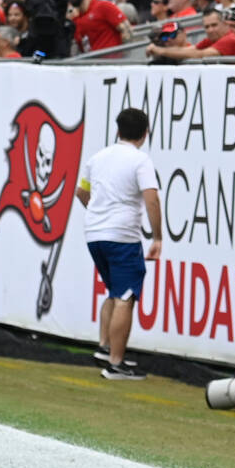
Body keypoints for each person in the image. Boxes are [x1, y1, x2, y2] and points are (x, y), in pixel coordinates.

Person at [74, 108, 162, 380]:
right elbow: (151, 198)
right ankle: (115, 363)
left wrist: (97, 213)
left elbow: (81, 191)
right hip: (122, 235)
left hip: (95, 234)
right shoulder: (140, 160)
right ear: (145, 134)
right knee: (126, 296)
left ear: (117, 130)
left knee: (114, 291)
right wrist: (157, 236)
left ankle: (104, 347)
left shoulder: (98, 157)